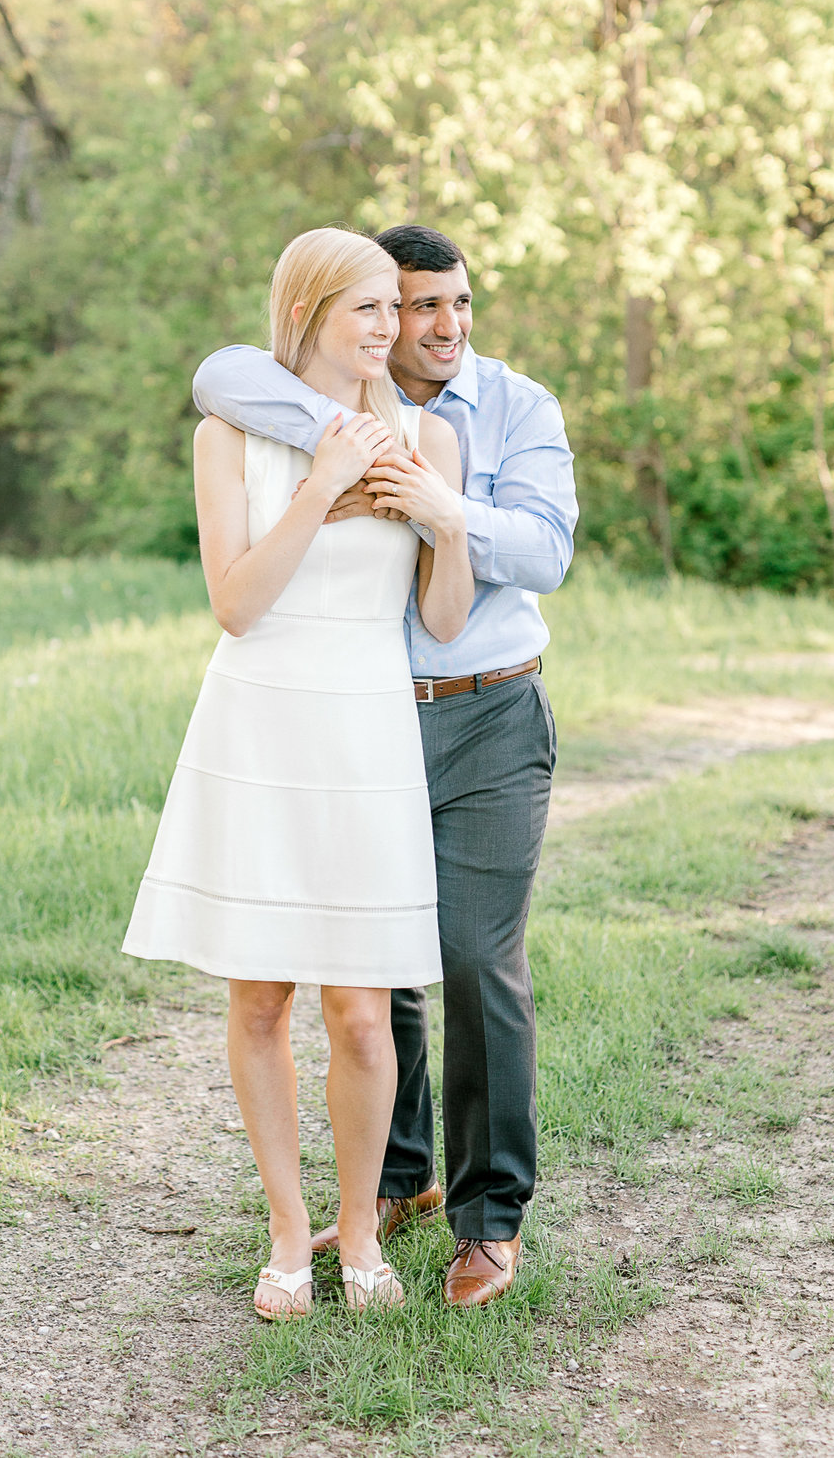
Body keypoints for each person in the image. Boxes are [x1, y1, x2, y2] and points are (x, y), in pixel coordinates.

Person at [192, 222, 577, 1310]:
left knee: (468, 955)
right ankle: (387, 1193)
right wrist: (336, 463)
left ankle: (487, 1221)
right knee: (370, 982)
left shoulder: (503, 412)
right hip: (338, 719)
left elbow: (529, 562)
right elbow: (222, 373)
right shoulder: (280, 407)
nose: (438, 326)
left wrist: (442, 515)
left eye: (457, 305)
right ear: (365, 314)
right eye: (410, 307)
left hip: (487, 711)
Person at [125, 226, 475, 1318]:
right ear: (309, 311)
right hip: (260, 720)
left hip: (365, 728)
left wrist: (443, 523)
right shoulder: (228, 437)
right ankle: (288, 1234)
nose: (392, 329)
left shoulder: (429, 438)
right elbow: (235, 603)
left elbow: (442, 619)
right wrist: (321, 486)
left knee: (365, 1014)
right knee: (263, 996)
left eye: (397, 309)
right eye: (367, 309)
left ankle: (362, 1231)